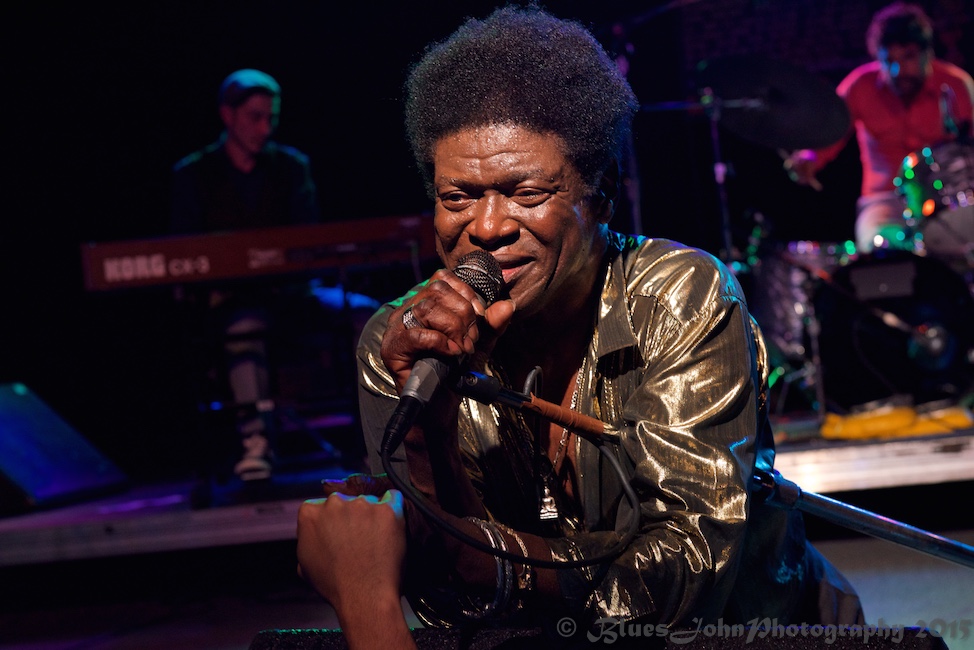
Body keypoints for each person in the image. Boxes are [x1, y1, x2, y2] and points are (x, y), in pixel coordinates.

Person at [296, 6, 863, 647]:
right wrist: (434, 414)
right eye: (457, 196)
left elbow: (681, 585)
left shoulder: (678, 297)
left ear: (601, 193)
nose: (485, 226)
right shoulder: (400, 345)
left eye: (526, 192)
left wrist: (490, 564)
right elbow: (446, 603)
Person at [172, 69, 374, 482]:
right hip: (234, 302)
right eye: (255, 116)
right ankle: (257, 445)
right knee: (245, 328)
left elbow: (308, 239)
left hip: (294, 294)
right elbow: (186, 252)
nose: (265, 127)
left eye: (271, 117)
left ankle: (371, 441)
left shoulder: (291, 167)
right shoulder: (195, 174)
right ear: (227, 115)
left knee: (368, 318)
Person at [784, 2, 974, 254]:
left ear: (927, 53)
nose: (897, 70)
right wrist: (809, 158)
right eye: (888, 60)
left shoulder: (956, 85)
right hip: (883, 202)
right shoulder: (860, 86)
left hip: (946, 200)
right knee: (879, 255)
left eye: (907, 57)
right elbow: (829, 133)